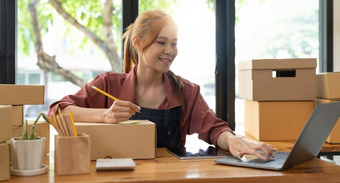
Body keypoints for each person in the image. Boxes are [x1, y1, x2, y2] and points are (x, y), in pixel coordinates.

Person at [48, 9, 275, 160]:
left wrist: (234, 141)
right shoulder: (108, 84)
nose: (170, 51)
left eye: (174, 44)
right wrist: (104, 116)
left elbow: (215, 129)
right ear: (138, 42)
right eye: (162, 42)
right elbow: (56, 112)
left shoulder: (186, 91)